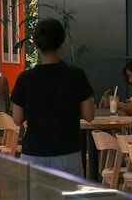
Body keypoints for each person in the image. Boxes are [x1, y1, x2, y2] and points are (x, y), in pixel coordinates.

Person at [10, 17, 95, 175]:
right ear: (62, 43)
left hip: (33, 153)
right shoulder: (76, 76)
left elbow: (16, 118)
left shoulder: (25, 78)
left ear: (36, 45)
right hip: (67, 152)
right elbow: (89, 115)